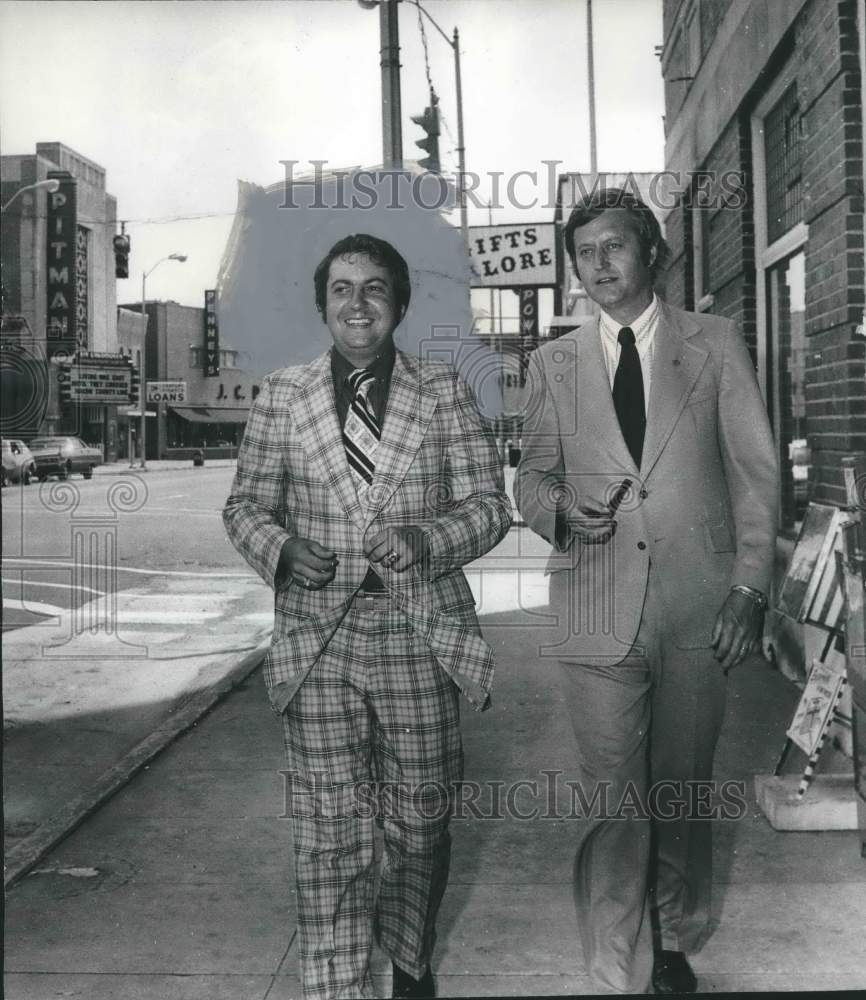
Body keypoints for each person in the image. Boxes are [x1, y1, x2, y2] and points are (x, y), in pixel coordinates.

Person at [223, 233, 511, 1000]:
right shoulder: (282, 395)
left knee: (420, 826)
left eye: (375, 288)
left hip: (419, 633)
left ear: (401, 304)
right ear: (322, 303)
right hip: (319, 639)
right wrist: (280, 549)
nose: (358, 303)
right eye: (343, 288)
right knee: (329, 837)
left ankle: (410, 955)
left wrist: (427, 537)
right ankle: (339, 988)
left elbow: (491, 507)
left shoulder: (444, 391)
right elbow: (244, 504)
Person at [515, 189, 779, 994]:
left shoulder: (716, 344)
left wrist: (749, 588)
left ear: (652, 254)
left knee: (682, 783)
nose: (598, 264)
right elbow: (530, 481)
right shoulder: (551, 365)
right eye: (584, 252)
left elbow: (757, 476)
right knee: (613, 794)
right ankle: (611, 955)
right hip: (596, 607)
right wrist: (560, 508)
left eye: (614, 246)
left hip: (700, 606)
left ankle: (674, 934)